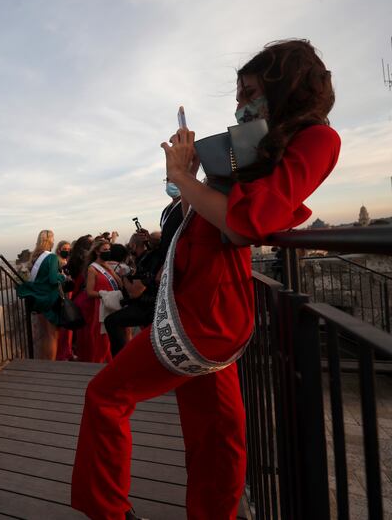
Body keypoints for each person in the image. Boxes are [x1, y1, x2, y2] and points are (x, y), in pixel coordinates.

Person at [72, 39, 340, 520]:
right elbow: (218, 215)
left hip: (206, 310)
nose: (241, 106)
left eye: (251, 92)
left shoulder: (318, 139)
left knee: (107, 395)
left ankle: (106, 509)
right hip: (202, 300)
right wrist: (193, 177)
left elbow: (244, 222)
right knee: (216, 430)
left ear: (286, 87)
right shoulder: (259, 145)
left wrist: (184, 177)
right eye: (239, 95)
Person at [103, 231, 159, 356]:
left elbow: (135, 292)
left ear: (133, 246)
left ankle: (119, 361)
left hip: (149, 307)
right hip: (151, 305)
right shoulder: (146, 258)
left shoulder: (146, 260)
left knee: (111, 321)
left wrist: (124, 275)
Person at [17, 230, 68, 360]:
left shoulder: (35, 257)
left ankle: (45, 362)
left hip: (38, 299)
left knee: (46, 334)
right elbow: (52, 279)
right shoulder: (51, 257)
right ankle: (52, 364)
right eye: (53, 238)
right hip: (50, 299)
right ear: (50, 240)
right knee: (53, 335)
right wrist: (62, 277)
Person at [75, 239, 122, 363]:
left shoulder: (108, 267)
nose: (108, 252)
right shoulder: (92, 269)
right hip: (100, 308)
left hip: (112, 306)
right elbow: (90, 292)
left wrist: (111, 271)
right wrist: (105, 295)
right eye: (104, 250)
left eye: (109, 249)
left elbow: (120, 284)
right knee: (102, 342)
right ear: (97, 251)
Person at [55, 240, 74, 361]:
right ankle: (63, 354)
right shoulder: (57, 262)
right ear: (58, 250)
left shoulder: (67, 262)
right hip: (63, 296)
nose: (66, 251)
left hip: (69, 295)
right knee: (64, 329)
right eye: (64, 249)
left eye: (68, 249)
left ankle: (68, 351)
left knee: (69, 328)